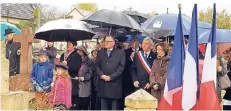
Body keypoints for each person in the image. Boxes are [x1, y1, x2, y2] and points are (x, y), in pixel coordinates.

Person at [96, 35, 126, 110]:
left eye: (108, 41)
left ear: (113, 43)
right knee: (103, 106)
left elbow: (121, 67)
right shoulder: (100, 52)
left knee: (114, 106)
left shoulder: (120, 53)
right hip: (103, 83)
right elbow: (96, 66)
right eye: (105, 41)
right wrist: (101, 75)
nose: (106, 43)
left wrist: (111, 77)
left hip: (115, 84)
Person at [60, 41, 82, 110]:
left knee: (72, 100)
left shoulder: (77, 56)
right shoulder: (63, 55)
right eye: (67, 43)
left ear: (74, 46)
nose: (67, 45)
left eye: (69, 44)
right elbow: (58, 67)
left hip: (72, 80)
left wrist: (67, 65)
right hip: (63, 80)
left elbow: (76, 68)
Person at [122, 37, 141, 107]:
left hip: (139, 78)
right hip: (128, 78)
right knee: (128, 96)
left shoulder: (142, 51)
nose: (134, 43)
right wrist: (130, 58)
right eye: (132, 41)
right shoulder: (126, 52)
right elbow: (123, 64)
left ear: (138, 42)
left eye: (135, 41)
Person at [76, 46, 93, 110]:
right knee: (77, 104)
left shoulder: (88, 61)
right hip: (77, 84)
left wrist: (84, 78)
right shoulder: (77, 60)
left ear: (83, 52)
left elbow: (91, 72)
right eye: (77, 51)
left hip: (85, 84)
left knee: (85, 103)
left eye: (79, 51)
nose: (78, 52)